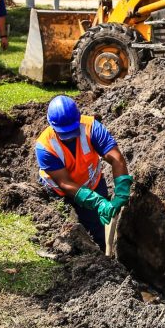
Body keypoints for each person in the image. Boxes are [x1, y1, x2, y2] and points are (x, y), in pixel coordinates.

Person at [35, 95, 133, 251]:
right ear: (52, 126)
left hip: (92, 183)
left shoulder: (92, 128)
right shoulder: (45, 147)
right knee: (71, 229)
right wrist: (98, 202)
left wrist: (121, 192)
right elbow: (64, 183)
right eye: (63, 133)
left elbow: (117, 159)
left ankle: (104, 255)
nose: (69, 137)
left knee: (98, 228)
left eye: (72, 131)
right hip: (60, 193)